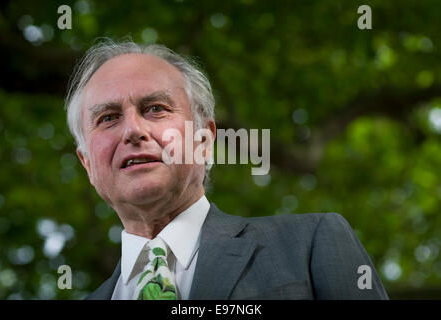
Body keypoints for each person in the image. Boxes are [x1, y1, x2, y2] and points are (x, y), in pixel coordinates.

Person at [65, 38, 389, 300]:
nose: (132, 130)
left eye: (155, 109)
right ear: (87, 164)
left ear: (204, 141)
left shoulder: (310, 244)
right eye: (108, 118)